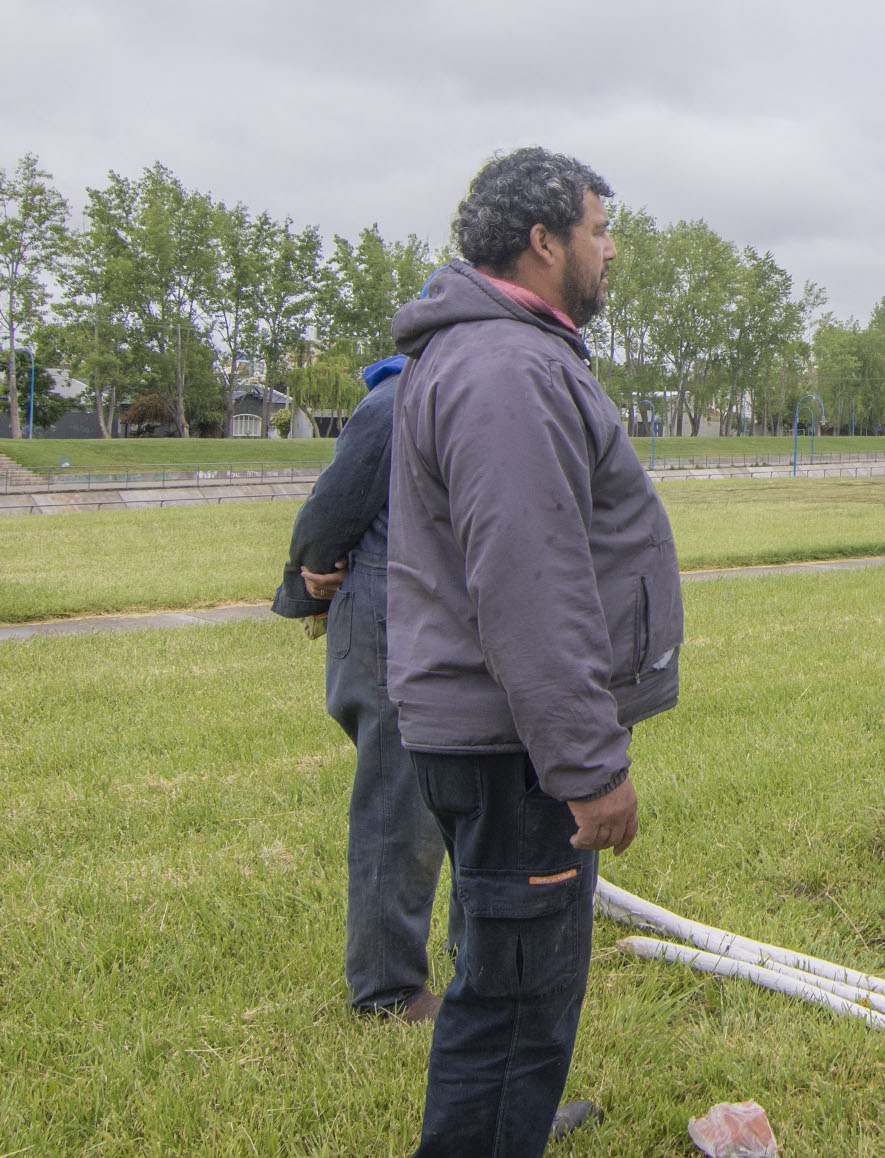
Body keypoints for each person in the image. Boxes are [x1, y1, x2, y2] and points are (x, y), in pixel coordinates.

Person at [389, 149, 684, 1154]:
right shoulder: (507, 368)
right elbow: (530, 582)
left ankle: (514, 1114)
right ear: (545, 240)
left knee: (508, 973)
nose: (610, 251)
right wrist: (588, 766)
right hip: (514, 744)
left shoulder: (500, 355)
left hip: (496, 733)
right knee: (514, 1000)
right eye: (599, 231)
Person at [272, 352, 456, 1022]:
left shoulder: (457, 382)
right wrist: (313, 573)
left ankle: (473, 975)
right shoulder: (396, 400)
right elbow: (332, 509)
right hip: (387, 632)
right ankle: (387, 990)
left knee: (448, 806)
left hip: (431, 629)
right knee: (396, 810)